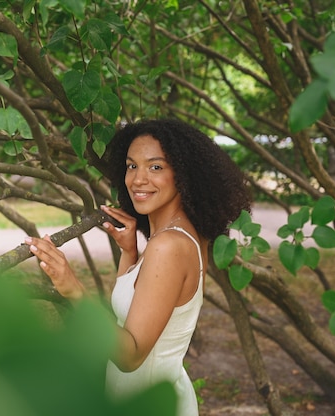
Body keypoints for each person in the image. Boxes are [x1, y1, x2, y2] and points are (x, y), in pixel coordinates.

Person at [24, 118, 251, 416]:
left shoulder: (167, 246)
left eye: (156, 167)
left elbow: (130, 357)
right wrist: (129, 254)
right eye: (132, 166)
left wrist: (73, 289)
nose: (138, 179)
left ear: (183, 175)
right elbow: (130, 318)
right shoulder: (182, 236)